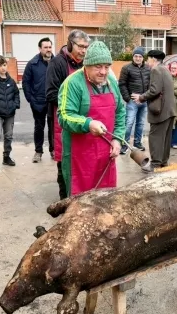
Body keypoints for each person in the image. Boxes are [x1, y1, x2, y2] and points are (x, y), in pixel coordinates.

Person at [57, 41, 125, 196]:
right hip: (80, 156)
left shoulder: (112, 83)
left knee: (105, 198)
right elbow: (64, 116)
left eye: (107, 67)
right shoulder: (72, 83)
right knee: (80, 201)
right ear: (86, 65)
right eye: (98, 67)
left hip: (106, 155)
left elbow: (120, 112)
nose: (103, 72)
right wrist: (88, 123)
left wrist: (117, 139)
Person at [46, 30, 88, 199]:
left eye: (86, 47)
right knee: (64, 163)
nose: (84, 51)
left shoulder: (85, 64)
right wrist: (73, 105)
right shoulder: (57, 63)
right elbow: (51, 93)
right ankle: (64, 200)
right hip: (62, 122)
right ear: (70, 44)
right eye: (80, 46)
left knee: (81, 162)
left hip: (81, 120)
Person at [132, 50, 176, 172]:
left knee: (155, 137)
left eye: (148, 59)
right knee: (165, 138)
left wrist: (141, 97)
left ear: (153, 59)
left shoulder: (156, 70)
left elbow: (154, 90)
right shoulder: (165, 69)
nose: (147, 61)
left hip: (160, 111)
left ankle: (156, 164)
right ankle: (163, 163)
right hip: (169, 110)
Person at [22, 37, 54, 163]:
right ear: (40, 49)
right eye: (45, 47)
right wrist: (30, 99)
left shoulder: (56, 62)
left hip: (53, 101)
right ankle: (38, 152)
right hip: (38, 101)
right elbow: (26, 82)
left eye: (50, 47)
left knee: (53, 127)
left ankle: (53, 150)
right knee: (39, 127)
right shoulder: (32, 63)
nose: (48, 49)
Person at [118, 47, 149, 154]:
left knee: (140, 123)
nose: (138, 58)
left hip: (144, 100)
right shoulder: (126, 68)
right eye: (136, 56)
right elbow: (122, 84)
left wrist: (145, 97)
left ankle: (137, 143)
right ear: (133, 57)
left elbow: (150, 84)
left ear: (143, 58)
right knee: (129, 123)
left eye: (140, 56)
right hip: (132, 101)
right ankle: (124, 145)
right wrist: (127, 98)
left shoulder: (148, 68)